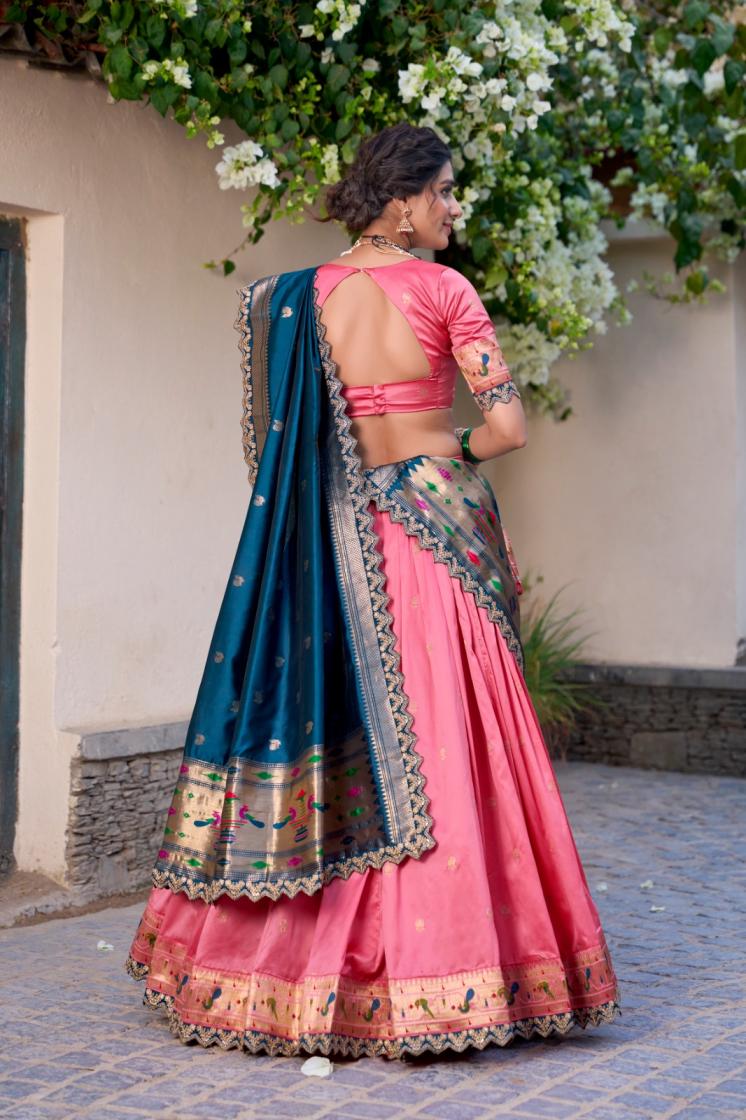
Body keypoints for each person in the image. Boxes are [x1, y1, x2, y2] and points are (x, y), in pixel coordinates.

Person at [126, 122, 619, 1058]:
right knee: (450, 741)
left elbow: (276, 453)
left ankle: (277, 975)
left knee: (346, 732)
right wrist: (451, 446)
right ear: (402, 202)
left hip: (336, 540)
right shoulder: (445, 290)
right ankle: (459, 974)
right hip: (434, 533)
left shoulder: (295, 298)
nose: (453, 208)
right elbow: (507, 428)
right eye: (443, 192)